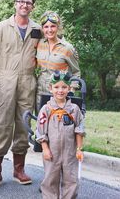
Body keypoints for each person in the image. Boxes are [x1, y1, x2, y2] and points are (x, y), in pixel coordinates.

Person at [0, 0, 42, 189]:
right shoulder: (0, 27)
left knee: (24, 125)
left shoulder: (38, 29)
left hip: (27, 82)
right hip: (4, 82)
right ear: (15, 4)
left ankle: (19, 170)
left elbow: (45, 54)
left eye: (28, 3)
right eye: (21, 2)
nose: (24, 5)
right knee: (2, 125)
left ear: (32, 7)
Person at [36, 71, 85, 199]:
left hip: (70, 153)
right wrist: (45, 149)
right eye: (56, 87)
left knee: (71, 180)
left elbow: (79, 130)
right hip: (52, 153)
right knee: (50, 180)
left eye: (64, 87)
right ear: (50, 88)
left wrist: (79, 149)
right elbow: (41, 132)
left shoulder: (74, 109)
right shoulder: (46, 110)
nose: (60, 90)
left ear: (69, 88)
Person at [36, 11, 80, 113]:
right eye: (46, 27)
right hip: (40, 93)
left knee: (58, 125)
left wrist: (71, 91)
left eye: (53, 26)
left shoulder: (67, 48)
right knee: (42, 123)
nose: (49, 30)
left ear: (58, 27)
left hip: (60, 94)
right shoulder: (39, 44)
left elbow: (76, 72)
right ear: (43, 29)